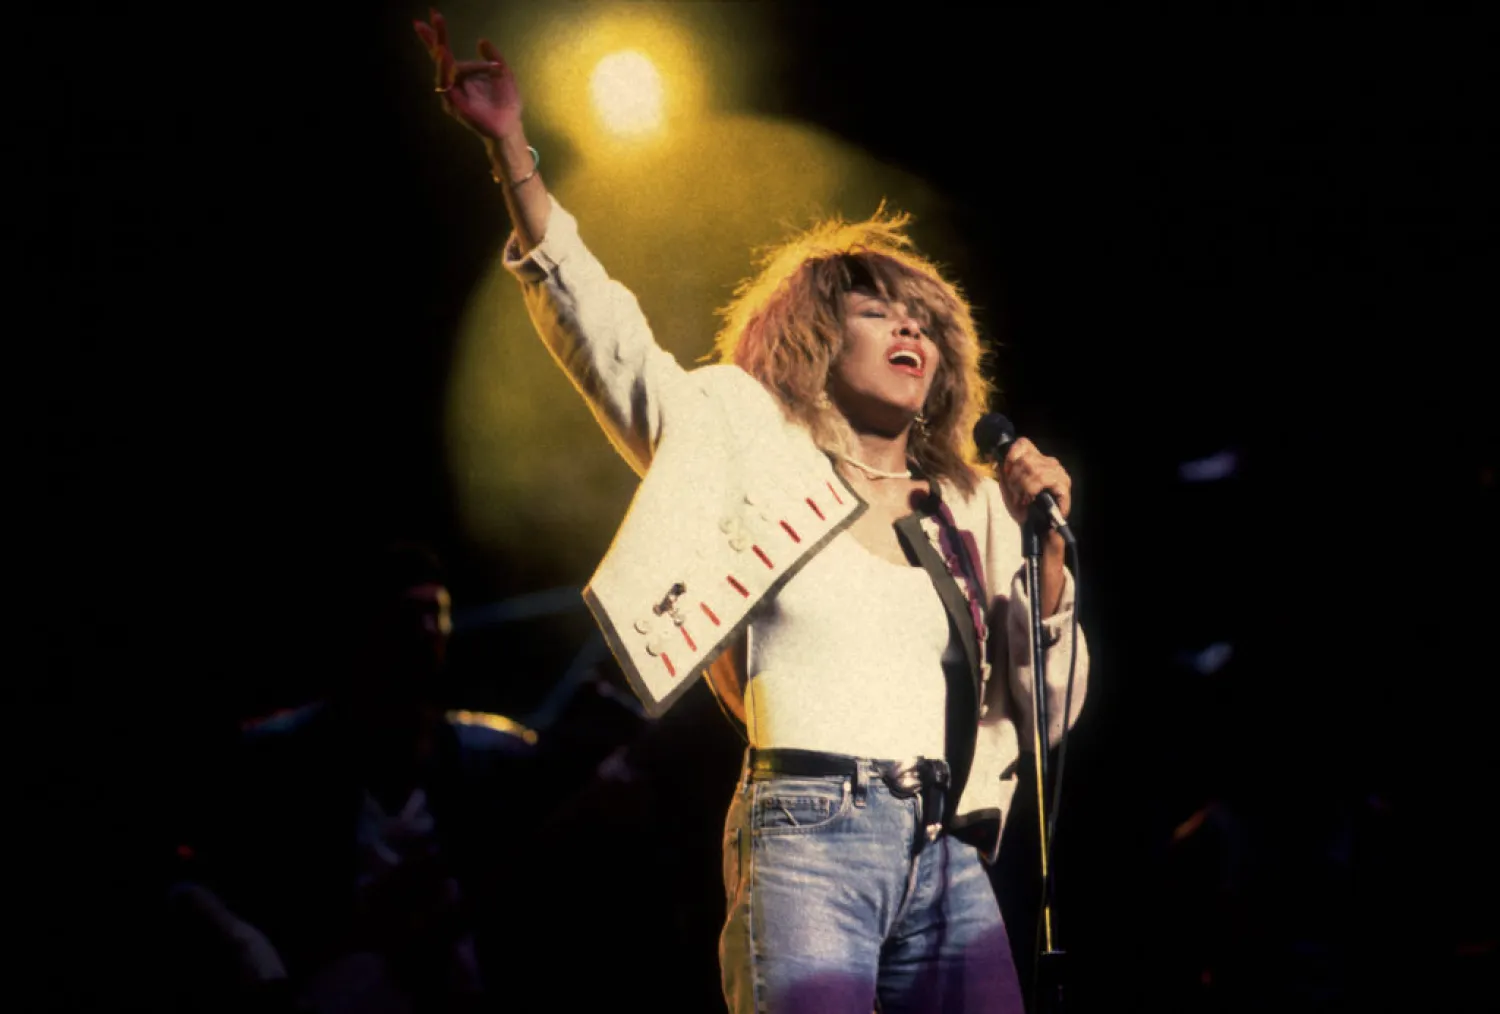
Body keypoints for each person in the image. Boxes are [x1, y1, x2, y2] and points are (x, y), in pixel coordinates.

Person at [414, 11, 1090, 1012]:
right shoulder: (747, 440)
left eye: (923, 321)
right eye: (874, 308)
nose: (908, 326)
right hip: (808, 828)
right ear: (816, 335)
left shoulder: (972, 507)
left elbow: (1047, 714)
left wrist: (1051, 572)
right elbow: (611, 346)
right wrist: (515, 152)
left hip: (949, 853)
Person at [164, 541, 537, 1014]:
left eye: (436, 614)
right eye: (408, 614)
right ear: (367, 628)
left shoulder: (490, 752)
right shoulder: (277, 758)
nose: (426, 631)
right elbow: (190, 876)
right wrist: (248, 947)